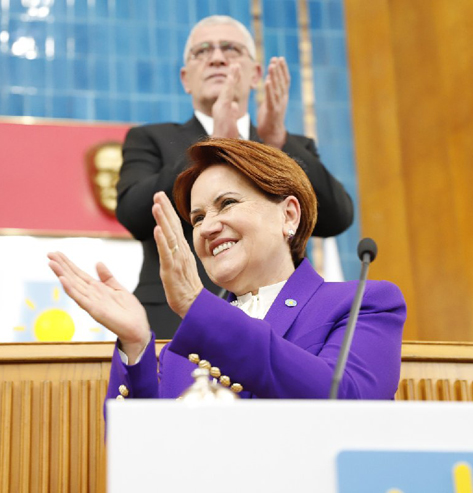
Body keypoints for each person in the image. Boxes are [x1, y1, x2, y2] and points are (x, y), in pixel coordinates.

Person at [49, 138, 405, 401]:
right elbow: (139, 453)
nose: (206, 228)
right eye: (198, 217)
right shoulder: (181, 346)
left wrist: (196, 307)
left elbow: (347, 401)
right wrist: (136, 344)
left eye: (227, 204)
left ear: (289, 215)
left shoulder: (364, 302)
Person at [115, 15, 354, 339]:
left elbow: (337, 218)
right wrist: (212, 146)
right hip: (175, 324)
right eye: (202, 51)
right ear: (186, 79)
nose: (217, 57)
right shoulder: (151, 138)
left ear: (255, 74)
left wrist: (277, 141)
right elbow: (133, 214)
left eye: (231, 48)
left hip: (283, 326)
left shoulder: (286, 144)